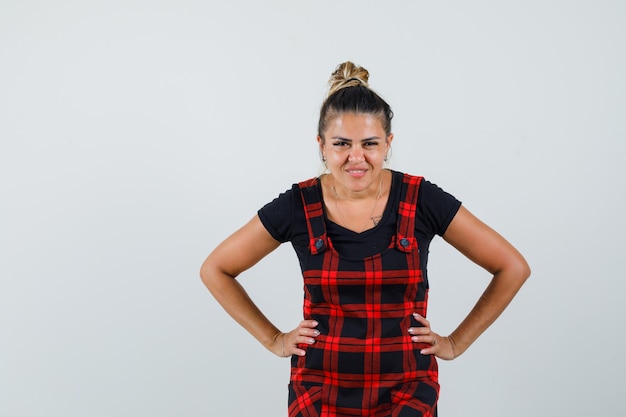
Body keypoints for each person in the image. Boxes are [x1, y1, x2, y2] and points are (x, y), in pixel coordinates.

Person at [200, 61, 530, 417]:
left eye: (369, 143)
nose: (356, 158)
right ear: (322, 146)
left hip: (406, 390)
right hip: (319, 389)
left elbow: (512, 266)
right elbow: (216, 268)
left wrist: (456, 343)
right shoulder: (297, 205)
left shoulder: (422, 200)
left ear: (388, 143)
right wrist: (274, 339)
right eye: (341, 143)